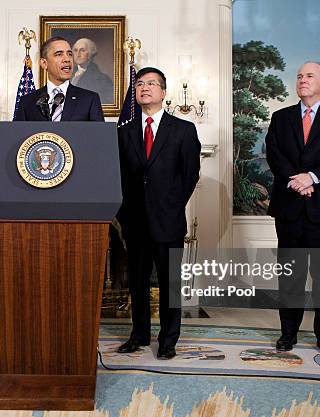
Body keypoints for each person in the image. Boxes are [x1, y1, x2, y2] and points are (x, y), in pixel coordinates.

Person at [265, 61, 320, 359]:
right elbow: (274, 153)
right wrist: (297, 180)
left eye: (310, 76)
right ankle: (287, 334)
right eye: (299, 76)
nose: (303, 80)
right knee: (290, 275)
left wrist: (312, 177)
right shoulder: (280, 117)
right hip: (290, 207)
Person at [116, 67, 201, 360]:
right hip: (134, 222)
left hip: (168, 220)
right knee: (137, 283)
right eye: (140, 84)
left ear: (163, 92)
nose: (144, 88)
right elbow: (118, 177)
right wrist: (123, 212)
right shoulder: (124, 132)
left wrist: (172, 205)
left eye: (151, 84)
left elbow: (190, 175)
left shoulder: (183, 130)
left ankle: (168, 341)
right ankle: (139, 335)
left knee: (170, 286)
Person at [14, 36, 104, 122]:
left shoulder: (89, 100)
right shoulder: (27, 102)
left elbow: (99, 136)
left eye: (69, 54)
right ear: (44, 63)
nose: (67, 59)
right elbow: (19, 136)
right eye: (59, 54)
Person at [71, 37, 114, 103]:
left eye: (82, 50)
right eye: (75, 50)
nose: (78, 54)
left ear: (90, 53)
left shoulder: (102, 80)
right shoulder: (68, 74)